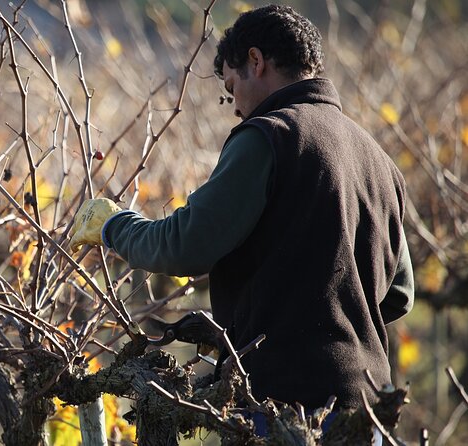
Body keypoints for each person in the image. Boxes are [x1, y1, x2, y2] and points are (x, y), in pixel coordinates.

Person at [69, 4, 413, 420]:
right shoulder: (380, 162)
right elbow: (398, 295)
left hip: (286, 404)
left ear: (256, 61)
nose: (234, 107)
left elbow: (184, 245)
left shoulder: (270, 137)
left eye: (232, 88)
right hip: (369, 408)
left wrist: (113, 226)